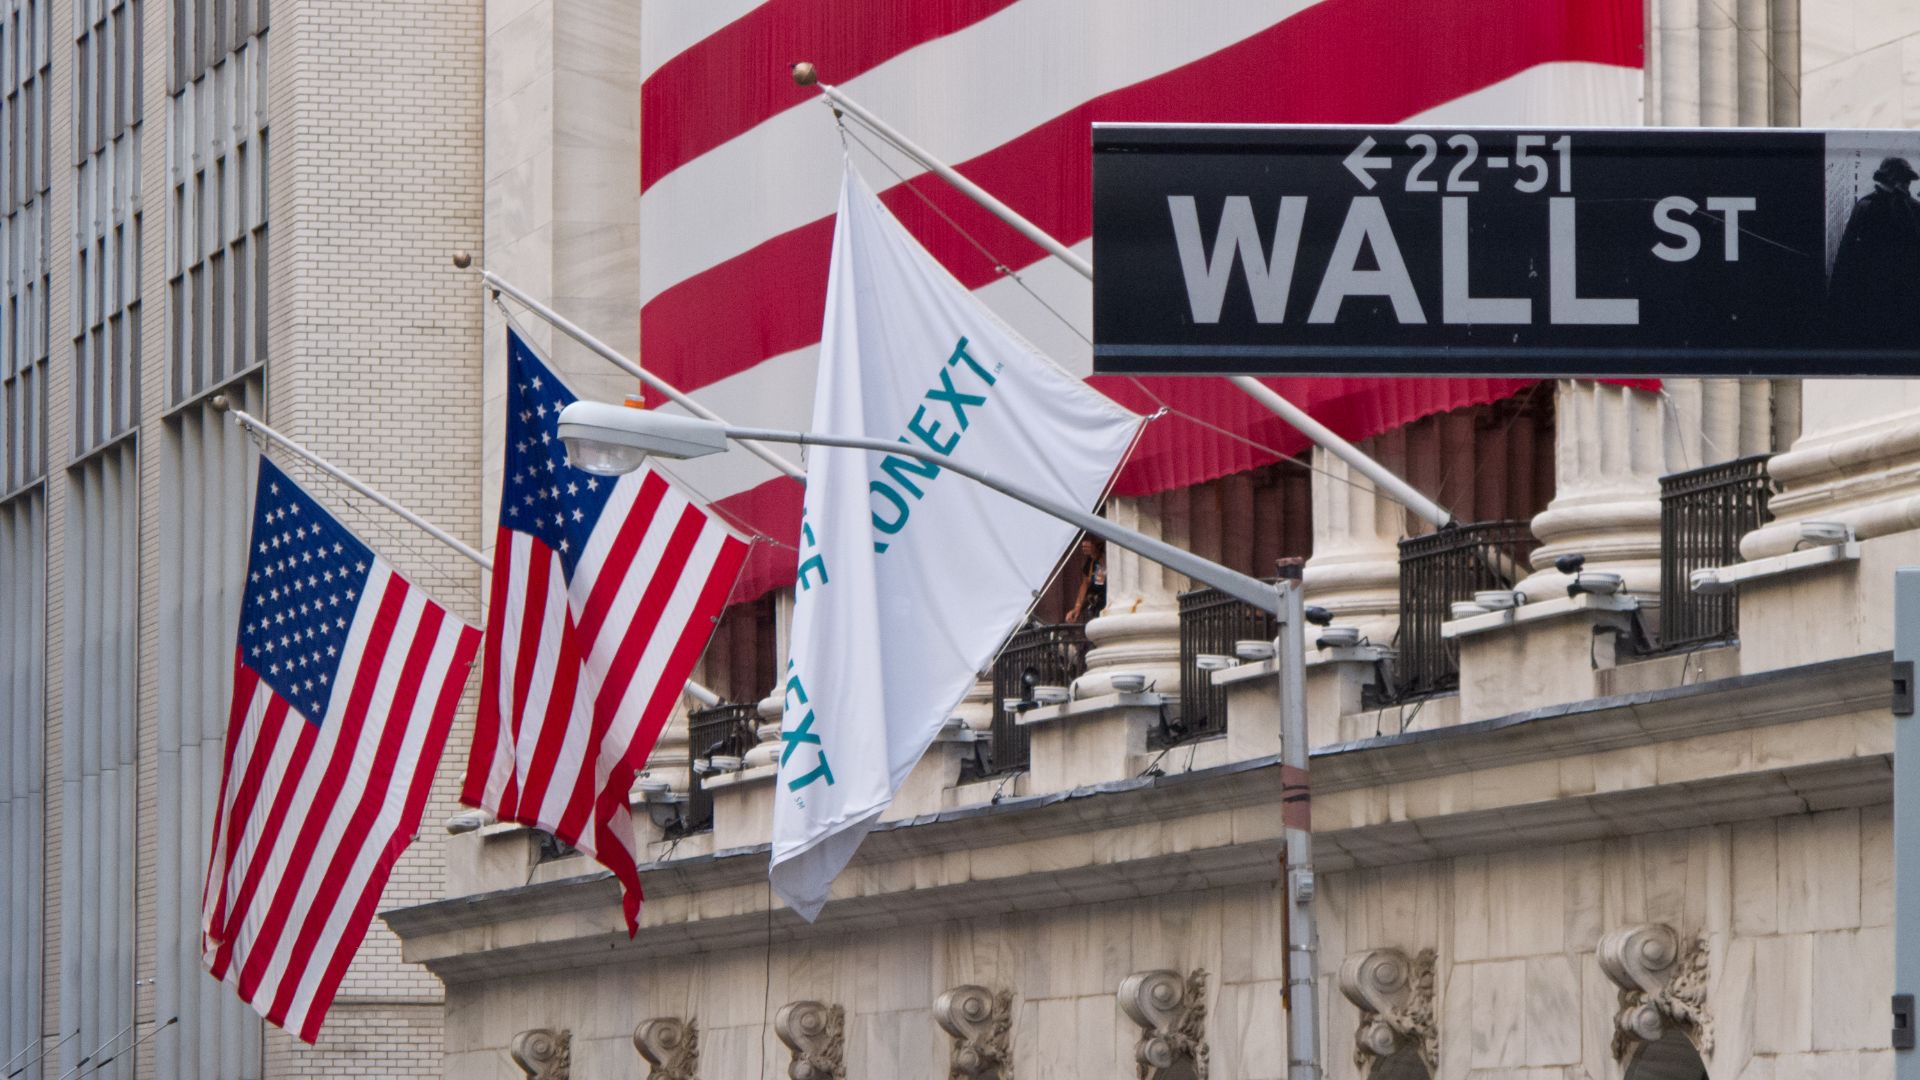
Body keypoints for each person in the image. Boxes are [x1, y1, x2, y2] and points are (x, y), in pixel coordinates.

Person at [1827, 156, 1920, 348]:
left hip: (1905, 290)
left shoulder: (1912, 208)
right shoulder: (1868, 206)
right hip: (1873, 289)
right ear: (1890, 180)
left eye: (1907, 180)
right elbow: (1848, 253)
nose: (1906, 185)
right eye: (1902, 179)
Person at [1064, 536, 1107, 623]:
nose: (1084, 544)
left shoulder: (1109, 559)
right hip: (1097, 608)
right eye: (1084, 541)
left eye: (1090, 541)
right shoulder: (1091, 563)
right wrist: (1077, 608)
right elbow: (1085, 583)